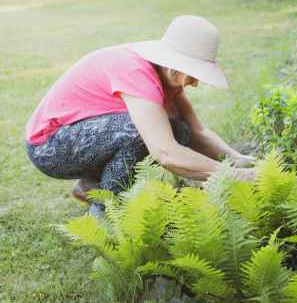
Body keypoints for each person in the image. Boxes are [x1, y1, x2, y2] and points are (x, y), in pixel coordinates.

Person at [25, 15, 256, 217]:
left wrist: (240, 160)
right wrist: (236, 175)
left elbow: (197, 132)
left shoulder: (165, 77)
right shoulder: (136, 74)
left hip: (80, 138)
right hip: (49, 147)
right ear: (173, 66)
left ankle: (91, 185)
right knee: (138, 134)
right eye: (194, 74)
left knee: (180, 130)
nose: (196, 83)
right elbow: (166, 153)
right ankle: (106, 212)